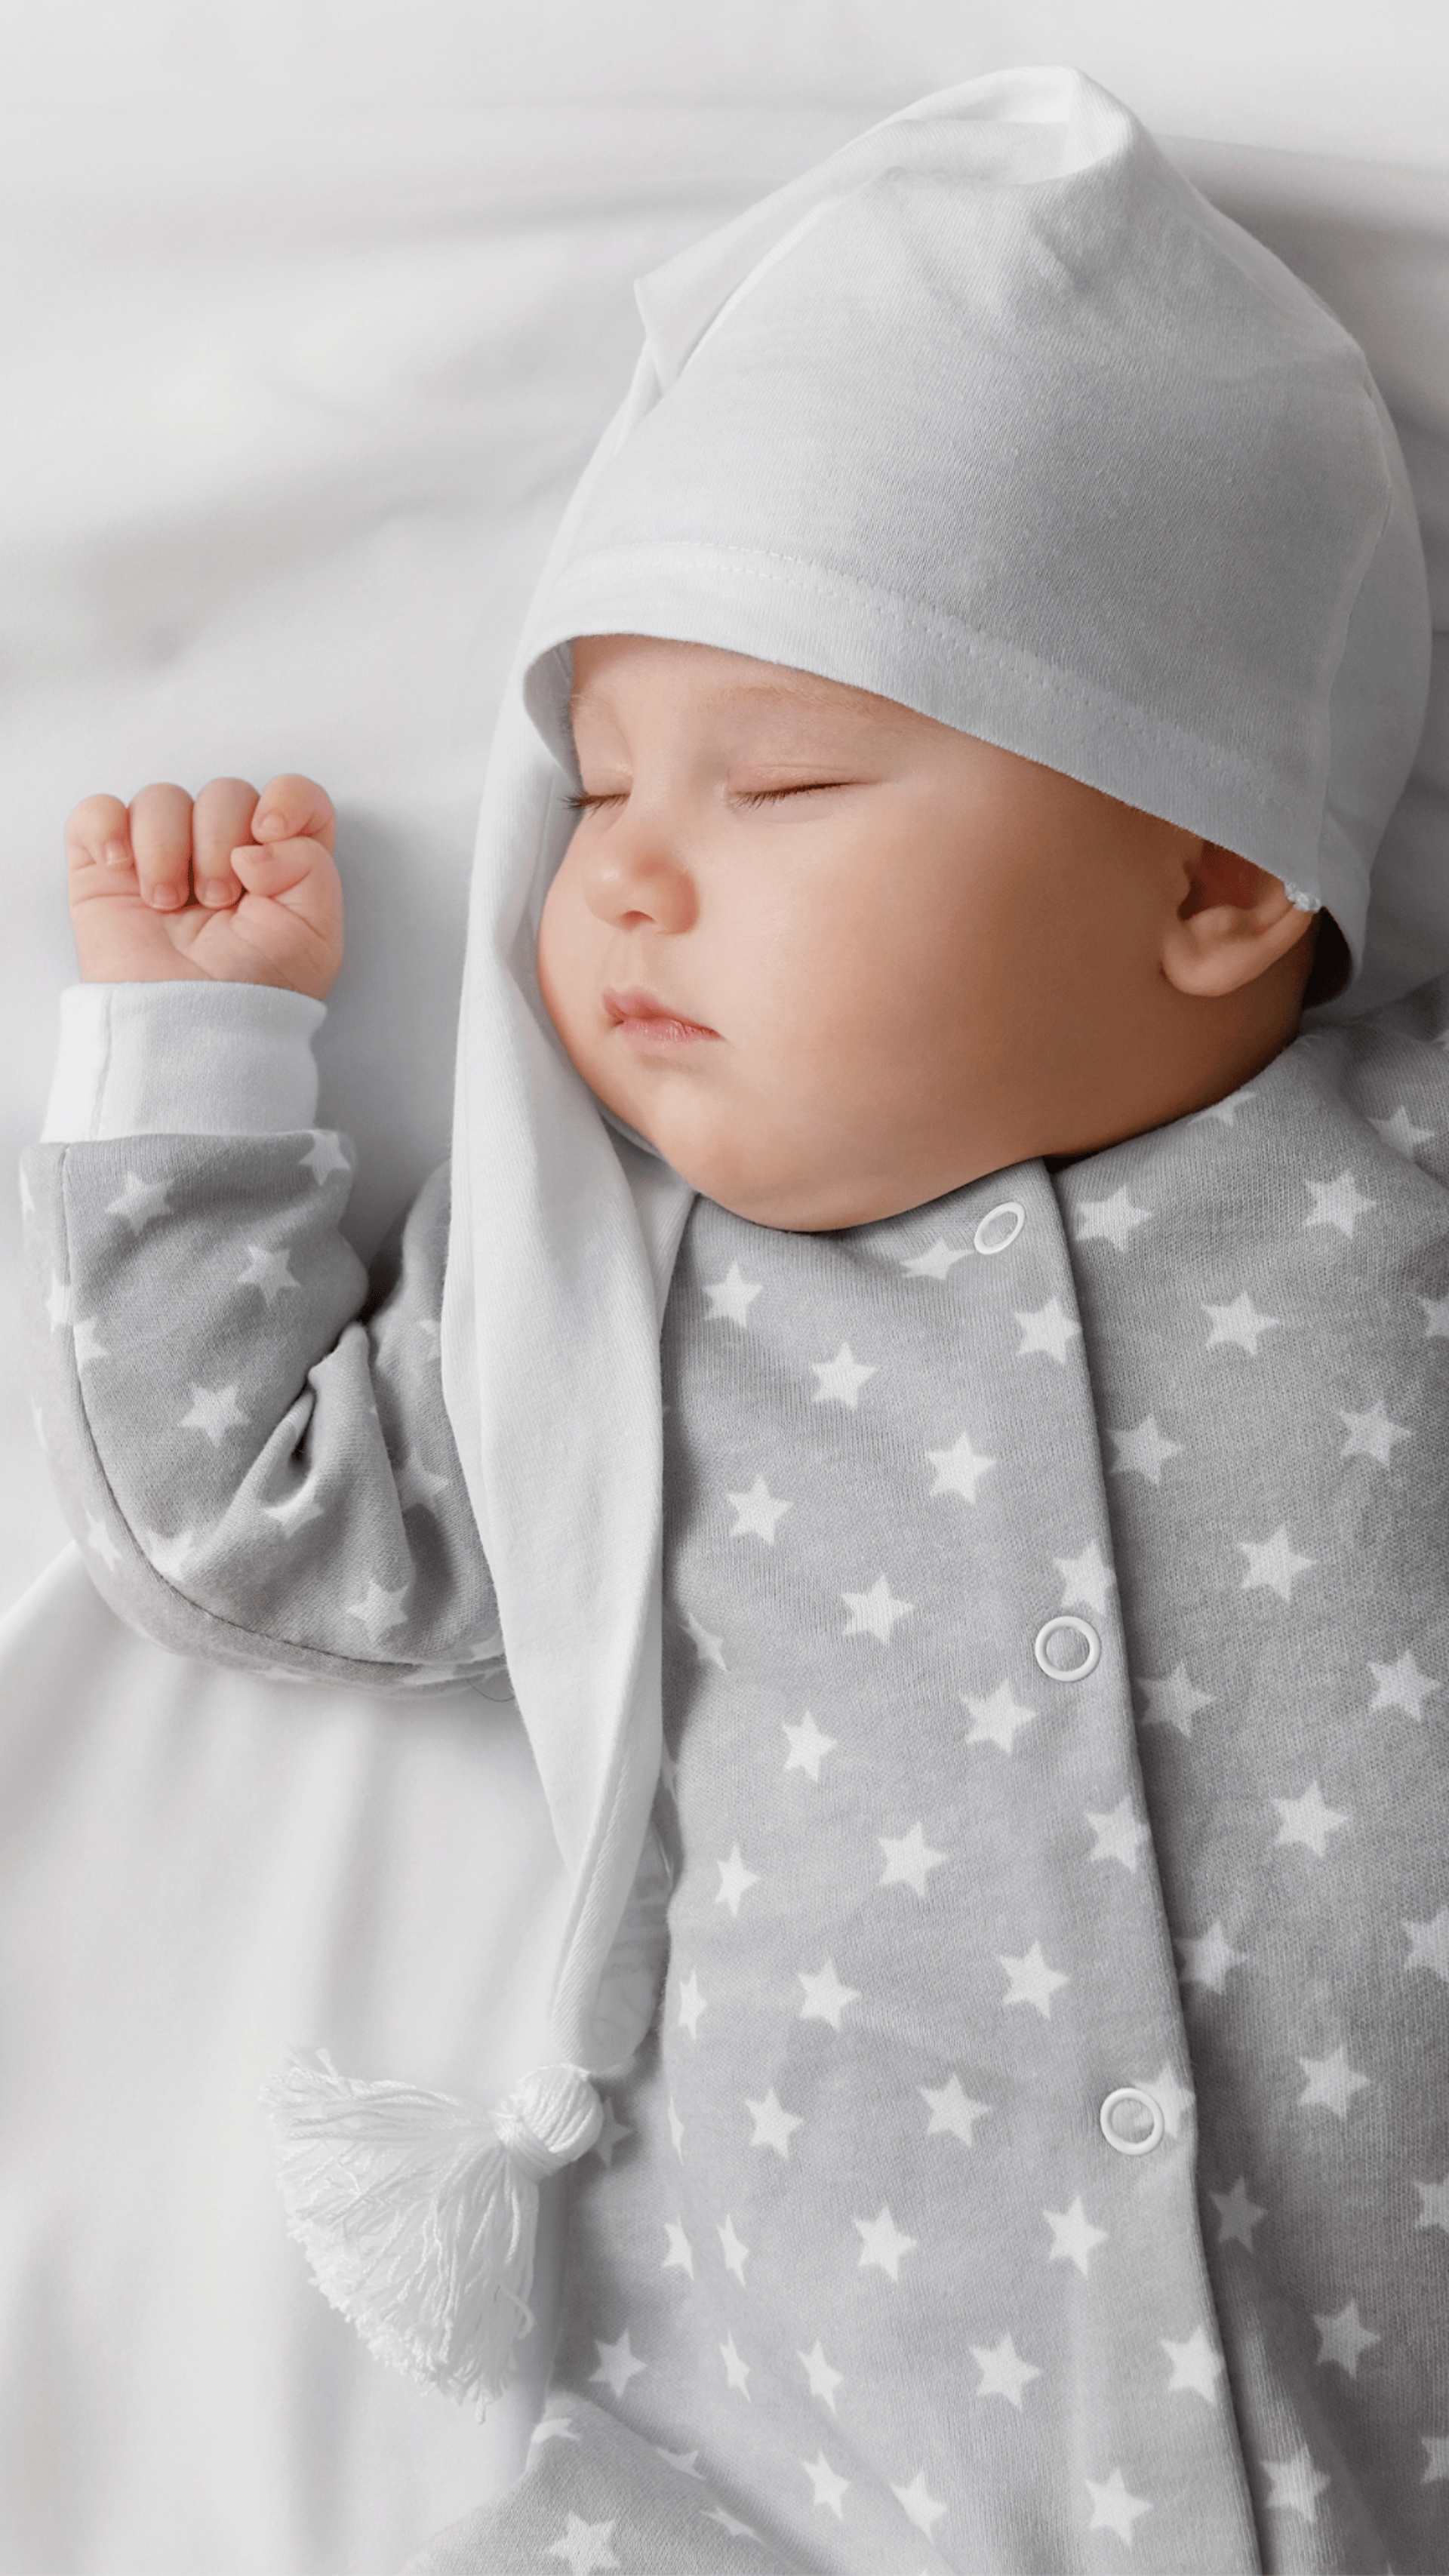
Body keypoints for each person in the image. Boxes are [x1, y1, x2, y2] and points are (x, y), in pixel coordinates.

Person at [21, 62, 1445, 2574]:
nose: (629, 888)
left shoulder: (1391, 1176)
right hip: (802, 2484)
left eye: (776, 792)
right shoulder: (626, 1286)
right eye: (599, 799)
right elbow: (266, 1537)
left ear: (1216, 874)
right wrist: (205, 1057)